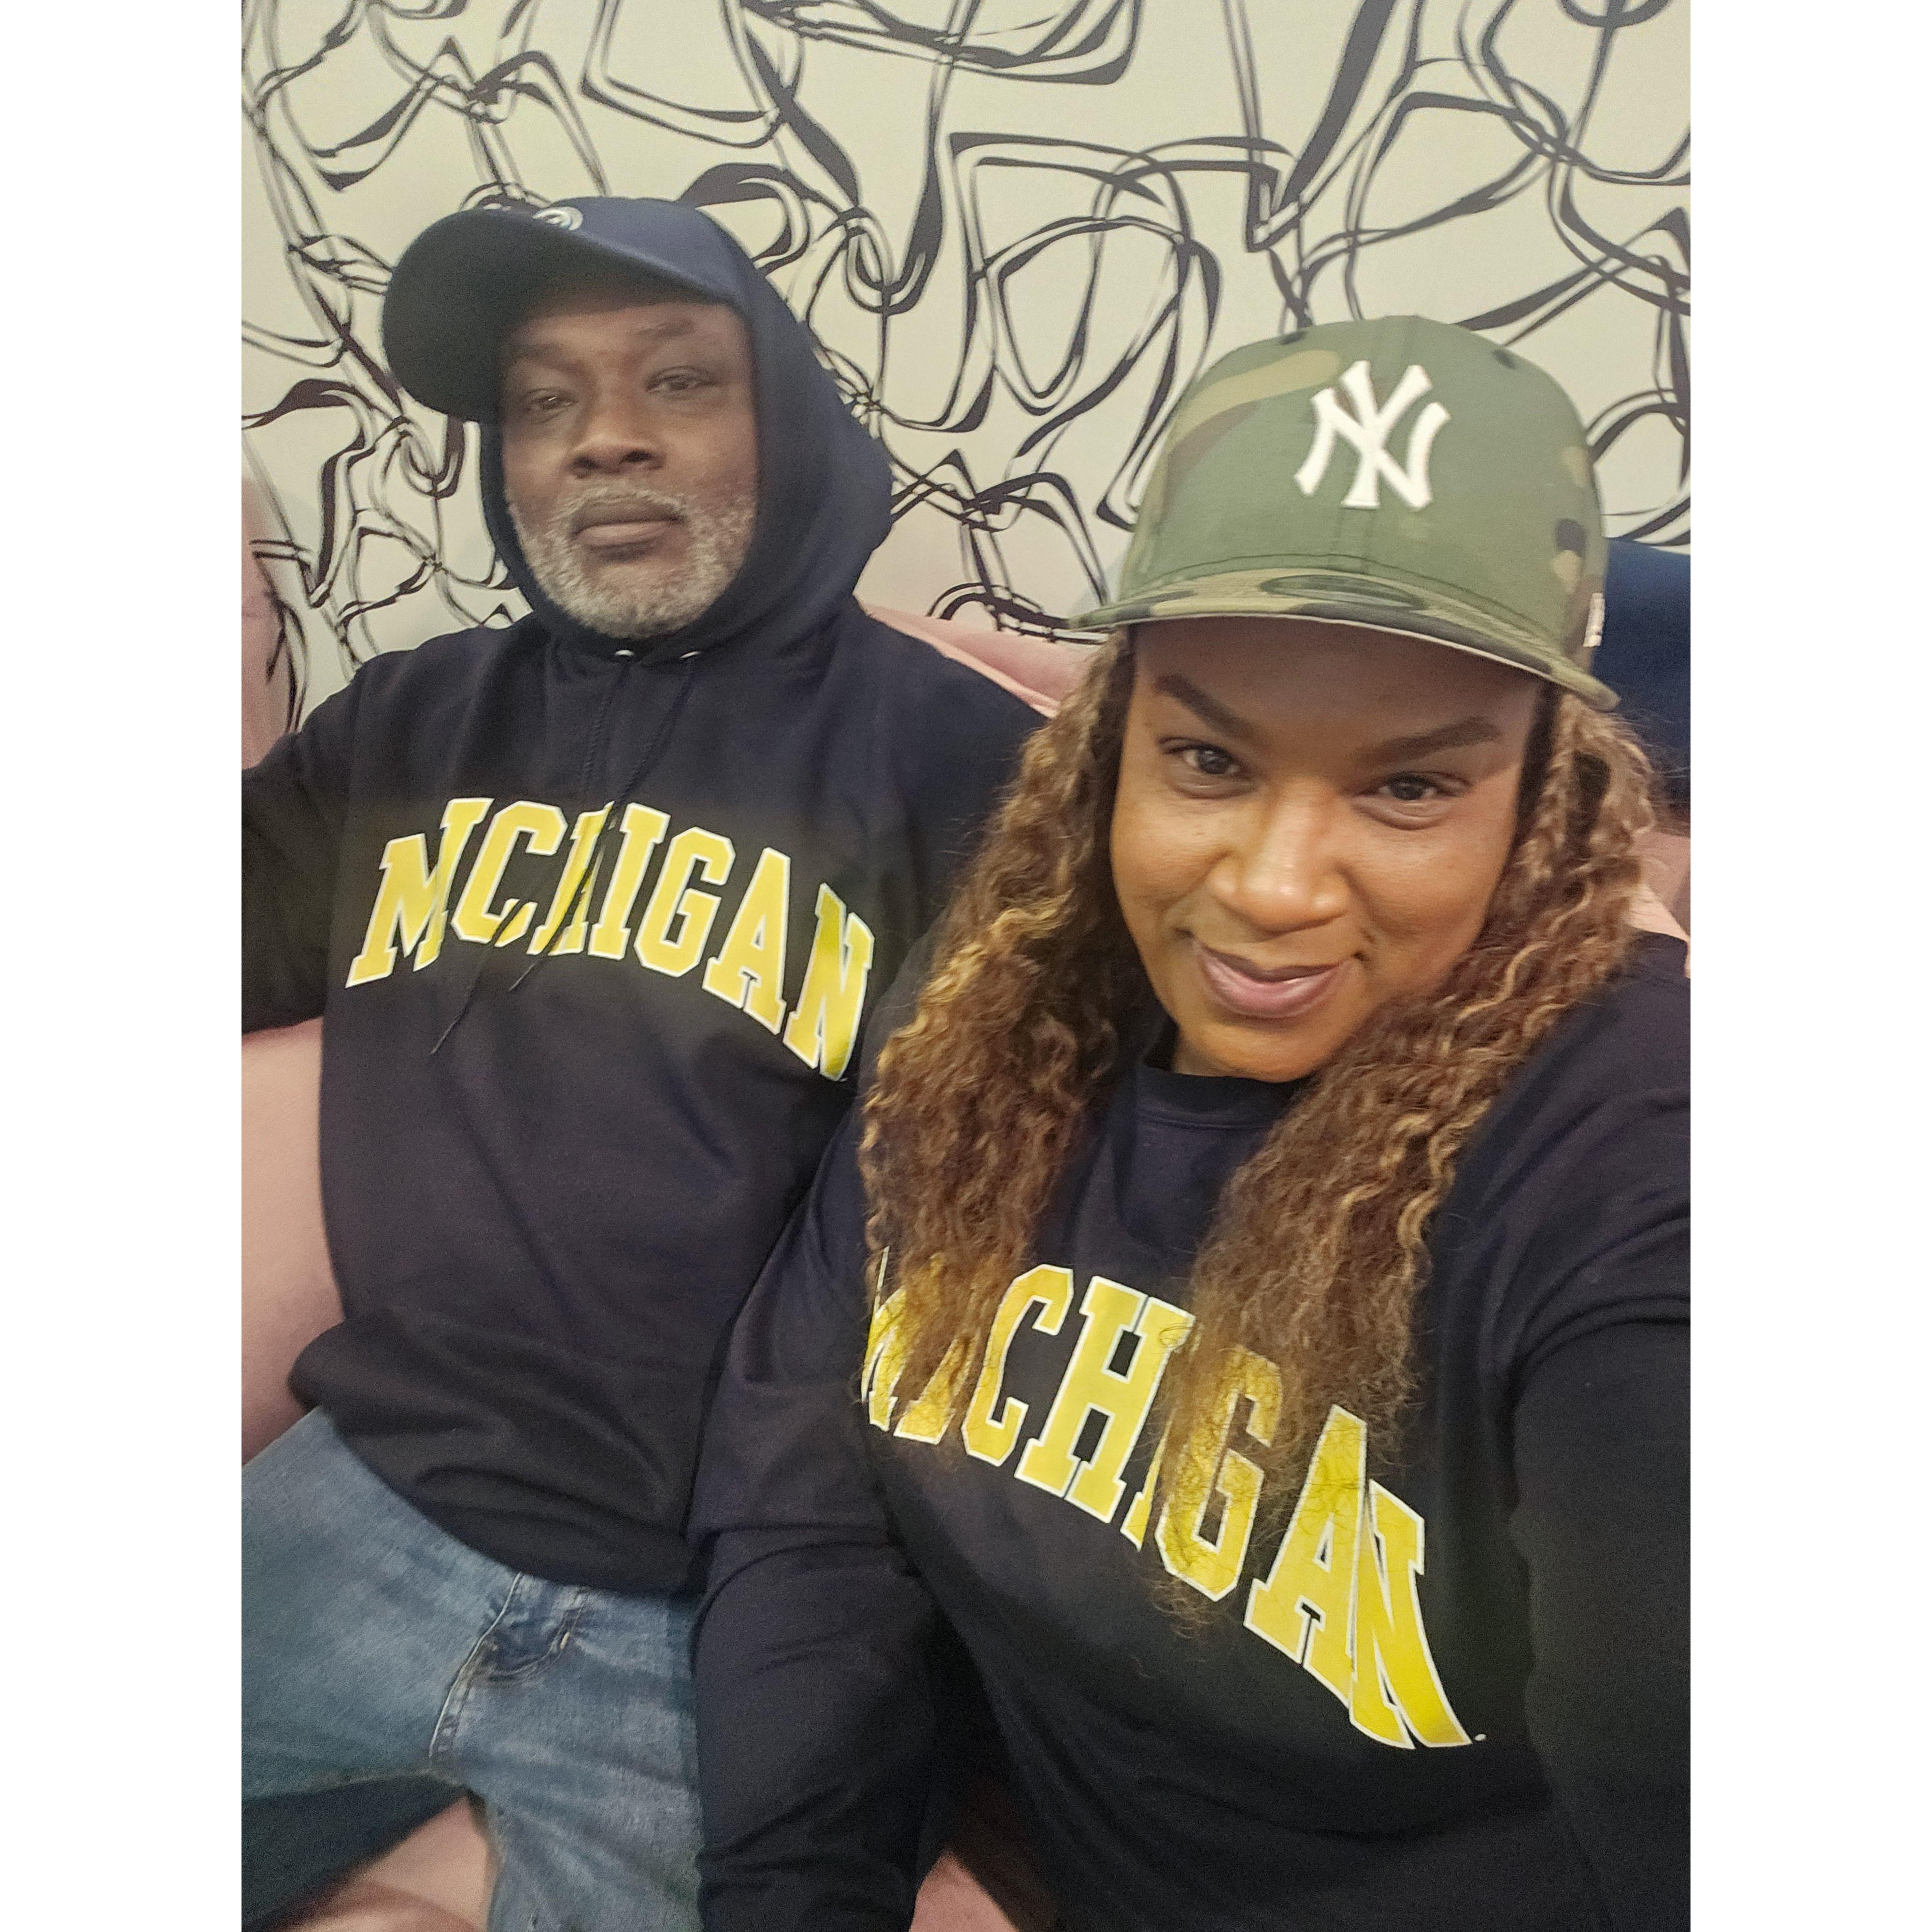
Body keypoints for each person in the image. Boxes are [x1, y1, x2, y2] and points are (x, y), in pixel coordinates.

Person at [692, 317, 1689, 1931]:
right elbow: (810, 1495)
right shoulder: (999, 1011)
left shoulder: (1633, 1159)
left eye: (1411, 788)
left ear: (1542, 806)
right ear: (1112, 746)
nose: (1275, 888)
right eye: (1209, 758)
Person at [241, 195, 1041, 1931]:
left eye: (676, 379)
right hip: (365, 1497)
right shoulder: (411, 724)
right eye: (545, 399)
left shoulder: (968, 768)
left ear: (789, 425)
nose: (603, 434)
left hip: (725, 1614)